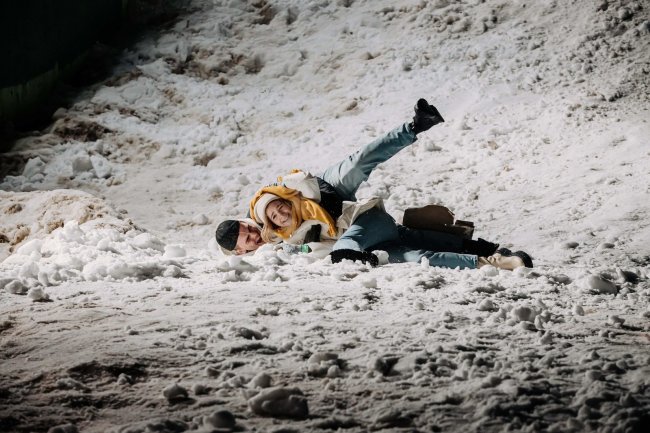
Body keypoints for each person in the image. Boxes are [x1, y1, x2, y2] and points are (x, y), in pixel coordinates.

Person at [217, 99, 533, 270]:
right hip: (360, 238)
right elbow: (305, 250)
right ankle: (493, 258)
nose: (253, 236)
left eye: (248, 231)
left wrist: (316, 205)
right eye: (248, 241)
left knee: (358, 163)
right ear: (241, 251)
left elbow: (287, 192)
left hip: (326, 194)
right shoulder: (274, 247)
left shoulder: (265, 210)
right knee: (416, 255)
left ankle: (415, 125)